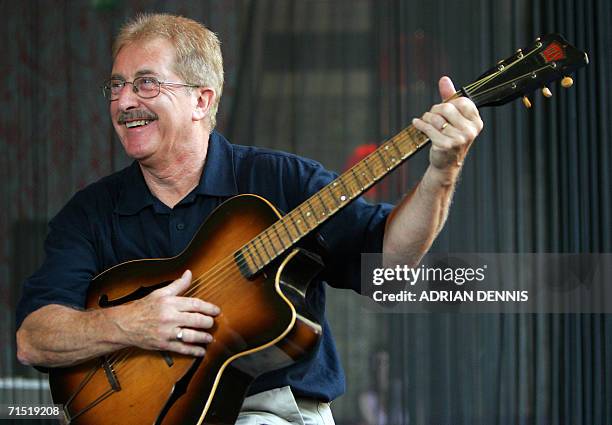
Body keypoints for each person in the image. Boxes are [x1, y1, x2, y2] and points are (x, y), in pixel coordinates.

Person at [15, 13, 483, 425]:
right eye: (116, 86)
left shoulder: (283, 180)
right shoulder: (91, 212)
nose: (123, 101)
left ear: (202, 100)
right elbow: (34, 339)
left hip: (272, 412)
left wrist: (443, 171)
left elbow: (388, 264)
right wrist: (131, 322)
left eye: (146, 83)